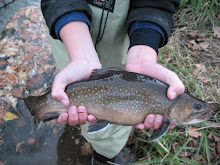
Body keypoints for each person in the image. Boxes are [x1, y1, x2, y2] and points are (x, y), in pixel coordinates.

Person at [41, 0, 184, 164]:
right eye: (197, 107)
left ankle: (103, 156)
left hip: (126, 49)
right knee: (70, 95)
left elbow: (157, 4)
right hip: (71, 41)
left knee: (113, 131)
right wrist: (79, 53)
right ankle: (56, 109)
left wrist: (144, 51)